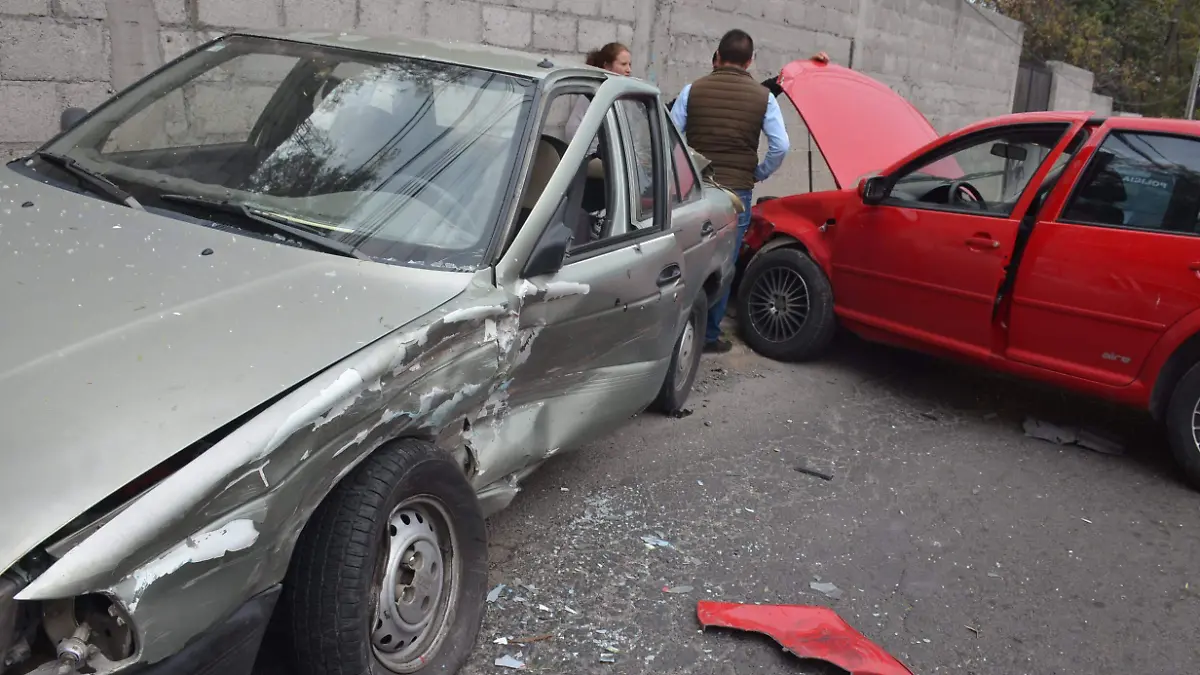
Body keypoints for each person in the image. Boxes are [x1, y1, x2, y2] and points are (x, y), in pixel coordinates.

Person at [670, 29, 792, 354]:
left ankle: (675, 328)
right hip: (736, 193)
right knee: (724, 260)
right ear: (751, 61)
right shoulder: (763, 98)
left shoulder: (692, 90)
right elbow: (781, 146)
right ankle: (708, 335)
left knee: (686, 255)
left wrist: (684, 170)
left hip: (694, 188)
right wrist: (759, 171)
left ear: (718, 56)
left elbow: (670, 135)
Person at [566, 42, 632, 145]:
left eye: (629, 64)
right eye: (623, 64)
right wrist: (597, 153)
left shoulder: (623, 95)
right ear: (607, 66)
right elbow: (572, 130)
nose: (629, 70)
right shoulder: (594, 93)